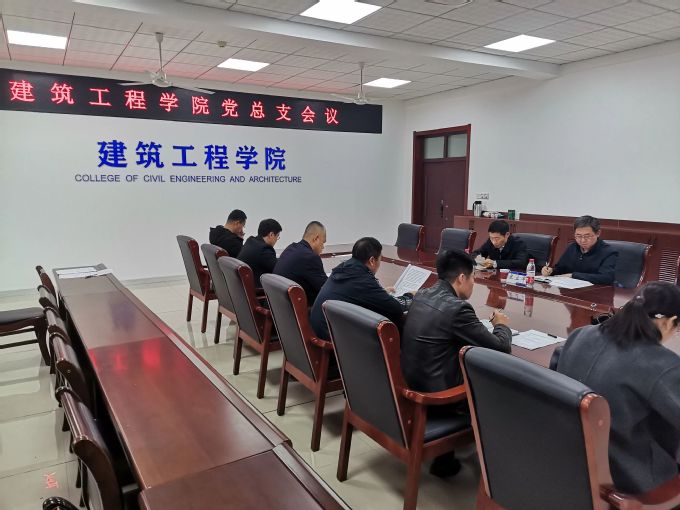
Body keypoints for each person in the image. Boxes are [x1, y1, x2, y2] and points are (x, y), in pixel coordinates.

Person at [554, 282, 680, 495]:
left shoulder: (580, 335)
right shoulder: (662, 365)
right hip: (627, 480)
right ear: (668, 322)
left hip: (568, 459)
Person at [401, 249, 512, 478]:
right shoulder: (458, 308)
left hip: (411, 380)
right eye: (473, 278)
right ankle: (498, 468)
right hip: (438, 396)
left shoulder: (422, 295)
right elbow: (501, 348)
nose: (473, 283)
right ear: (462, 278)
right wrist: (501, 325)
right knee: (500, 381)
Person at [310, 237, 413, 341]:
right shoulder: (362, 280)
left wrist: (380, 293)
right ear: (372, 260)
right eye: (380, 259)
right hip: (332, 339)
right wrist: (412, 296)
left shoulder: (344, 268)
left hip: (321, 330)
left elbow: (358, 293)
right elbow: (396, 308)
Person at [542, 215, 618, 284]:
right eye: (578, 236)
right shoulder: (572, 247)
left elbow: (606, 278)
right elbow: (560, 269)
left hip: (596, 292)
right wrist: (551, 271)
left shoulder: (609, 252)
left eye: (587, 236)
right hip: (570, 289)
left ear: (598, 233)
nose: (582, 240)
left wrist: (574, 275)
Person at [274, 221, 328, 304]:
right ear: (316, 239)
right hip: (297, 309)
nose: (323, 247)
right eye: (323, 242)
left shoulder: (291, 248)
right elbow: (326, 289)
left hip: (279, 305)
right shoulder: (310, 257)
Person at [237, 218, 282, 286]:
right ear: (271, 234)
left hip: (241, 285)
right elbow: (279, 270)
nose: (277, 239)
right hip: (256, 289)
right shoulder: (264, 249)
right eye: (277, 236)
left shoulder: (251, 241)